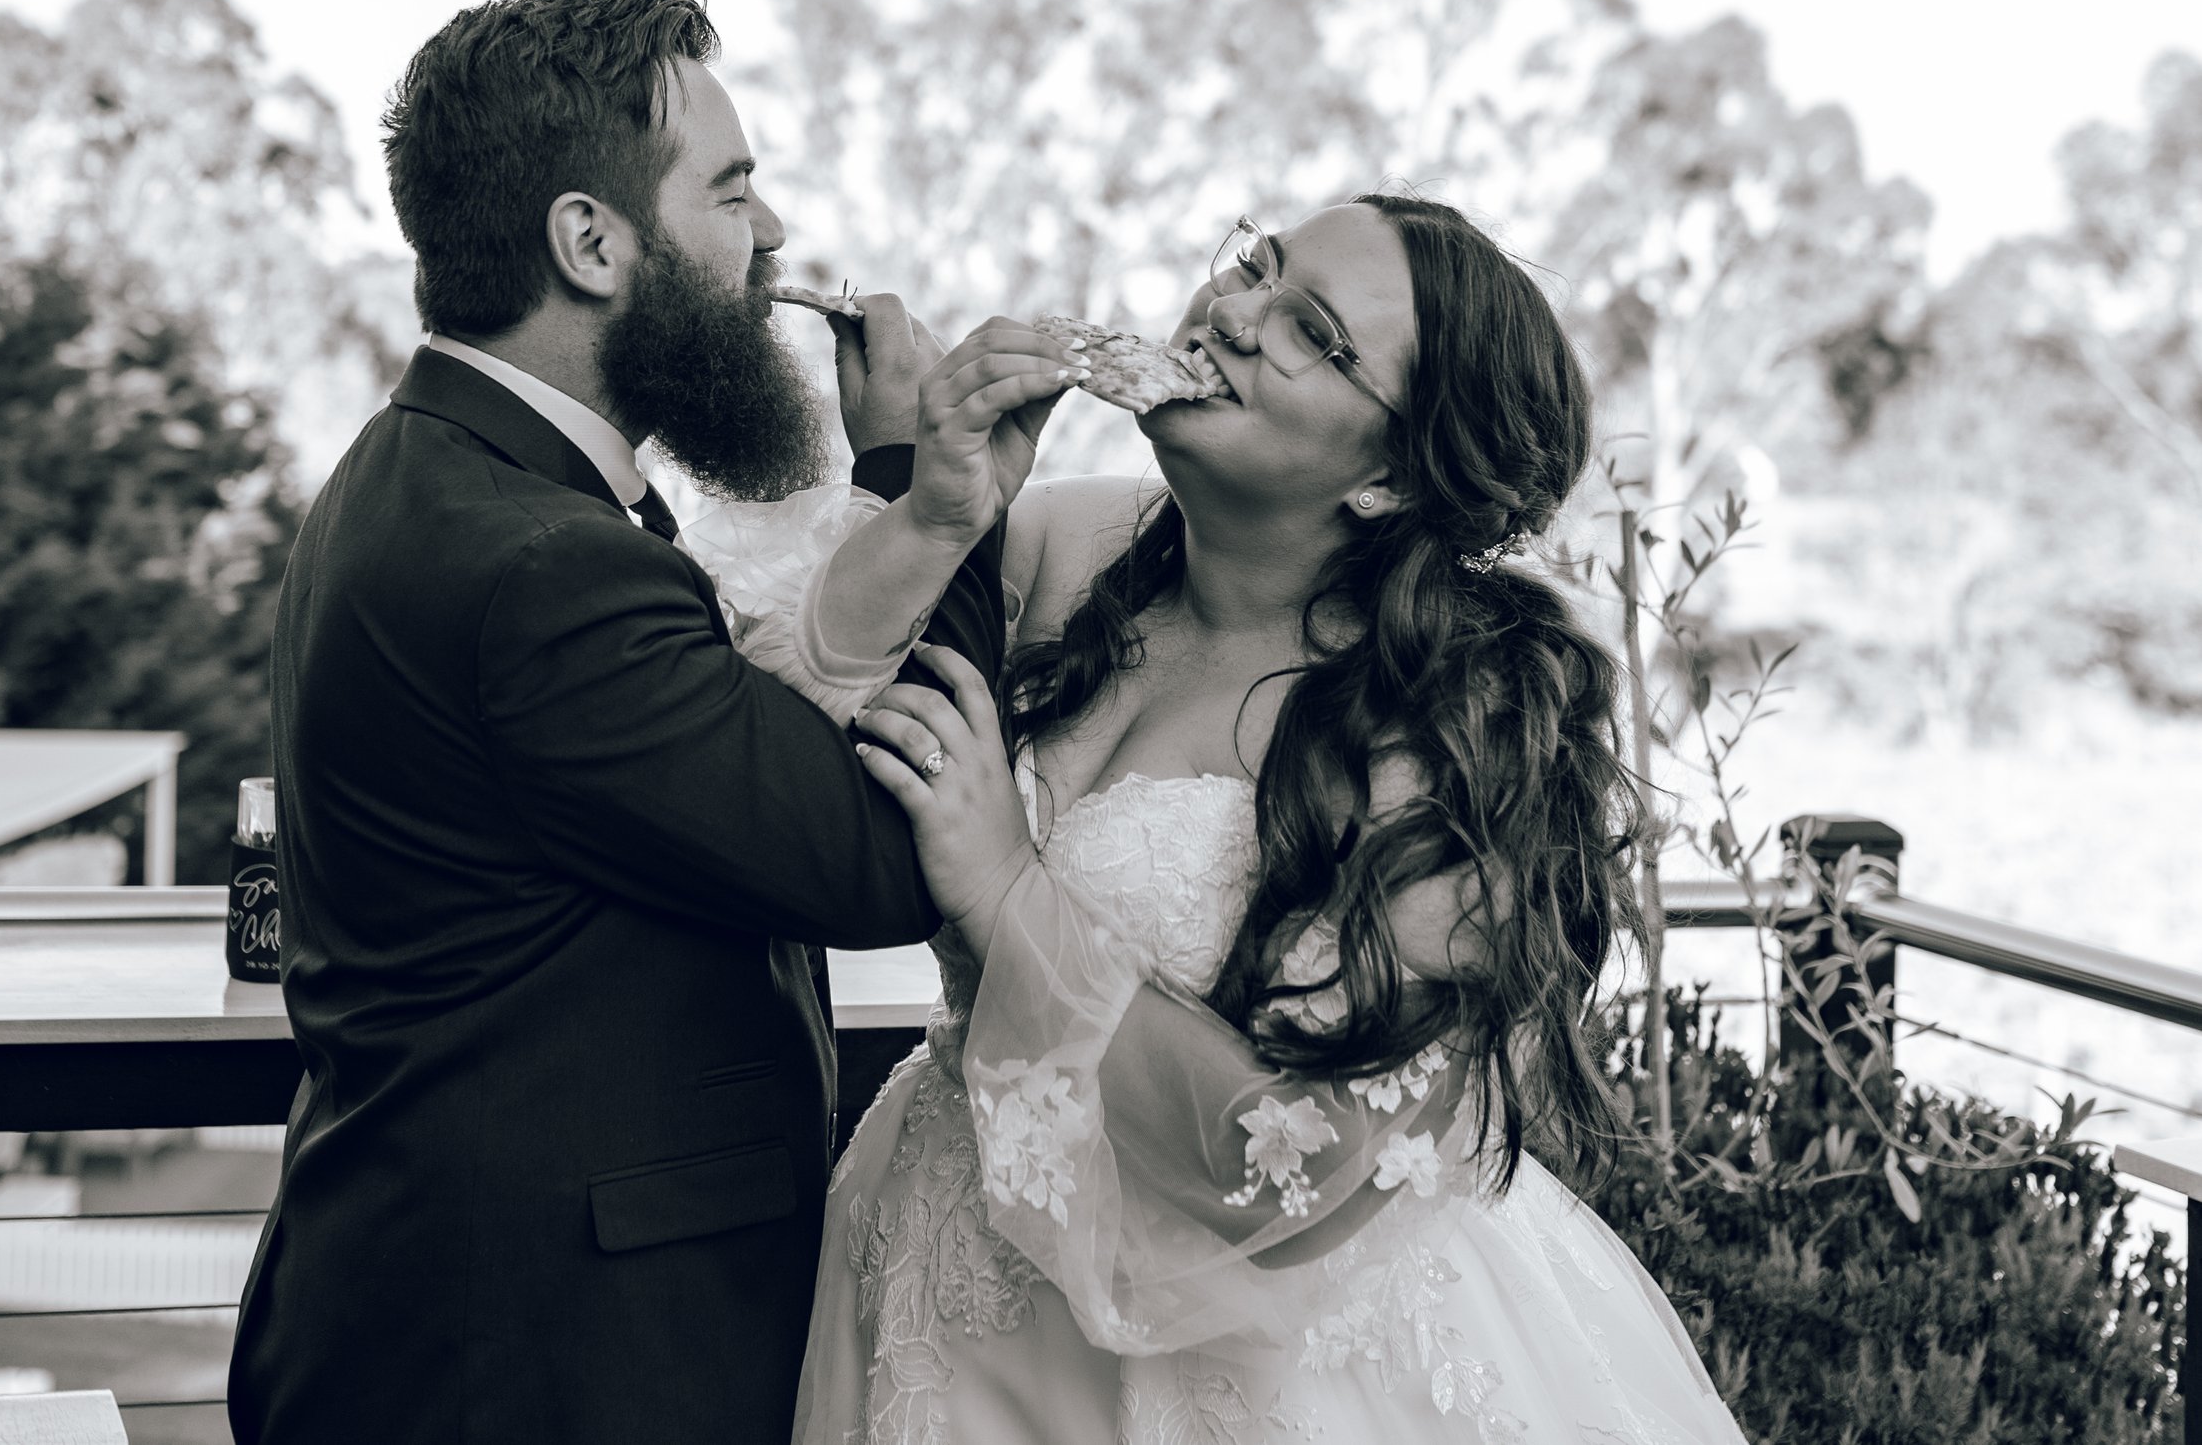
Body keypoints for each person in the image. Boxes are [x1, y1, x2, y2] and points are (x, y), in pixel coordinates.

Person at [723, 195, 1750, 1441]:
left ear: (1387, 477)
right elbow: (771, 750)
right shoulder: (1063, 544)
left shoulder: (1448, 726)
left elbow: (1301, 1158)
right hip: (942, 1282)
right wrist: (931, 511)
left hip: (1251, 1370)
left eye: (1312, 330)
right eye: (1252, 269)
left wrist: (1004, 889)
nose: (1235, 315)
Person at [225, 0, 1080, 1445]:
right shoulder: (543, 563)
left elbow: (731, 743)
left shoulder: (440, 473)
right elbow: (872, 858)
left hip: (439, 1316)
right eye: (734, 192)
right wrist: (940, 502)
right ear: (592, 240)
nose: (774, 239)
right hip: (536, 1364)